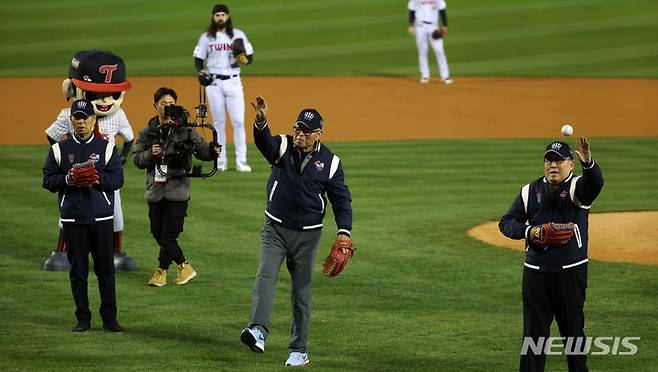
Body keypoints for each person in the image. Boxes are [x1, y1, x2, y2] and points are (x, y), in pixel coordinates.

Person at [240, 95, 353, 367]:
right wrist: (261, 121)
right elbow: (264, 143)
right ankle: (258, 330)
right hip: (274, 229)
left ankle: (299, 350)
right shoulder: (282, 146)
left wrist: (344, 232)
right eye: (297, 128)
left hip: (308, 236)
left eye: (305, 130)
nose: (299, 134)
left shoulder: (330, 162)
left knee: (300, 292)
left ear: (318, 134)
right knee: (265, 276)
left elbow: (341, 199)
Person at [499, 138, 604, 372]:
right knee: (534, 336)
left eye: (559, 160)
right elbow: (506, 223)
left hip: (571, 273)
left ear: (570, 164)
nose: (553, 165)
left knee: (573, 334)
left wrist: (588, 163)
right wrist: (530, 231)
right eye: (548, 160)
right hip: (536, 274)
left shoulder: (578, 188)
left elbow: (595, 184)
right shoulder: (529, 191)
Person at [43, 50, 136, 272]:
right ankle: (62, 253)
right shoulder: (69, 115)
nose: (105, 100)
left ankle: (115, 253)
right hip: (75, 177)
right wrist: (62, 161)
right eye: (94, 93)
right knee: (69, 212)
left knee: (116, 213)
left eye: (113, 93)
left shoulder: (118, 116)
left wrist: (120, 160)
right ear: (71, 89)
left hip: (105, 177)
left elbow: (129, 139)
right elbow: (52, 137)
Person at [42, 99, 125, 332]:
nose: (81, 122)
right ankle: (83, 318)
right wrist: (67, 180)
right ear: (71, 121)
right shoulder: (59, 149)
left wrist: (98, 179)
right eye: (77, 117)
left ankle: (110, 319)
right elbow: (47, 180)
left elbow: (118, 179)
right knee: (78, 272)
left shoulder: (107, 147)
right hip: (73, 219)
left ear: (93, 120)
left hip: (101, 219)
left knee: (106, 271)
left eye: (85, 117)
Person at [132, 87, 221, 287]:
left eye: (172, 104)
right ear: (155, 106)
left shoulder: (186, 130)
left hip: (178, 190)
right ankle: (182, 267)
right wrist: (151, 154)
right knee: (158, 233)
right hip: (155, 190)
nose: (168, 108)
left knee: (168, 235)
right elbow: (137, 159)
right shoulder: (147, 133)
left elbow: (203, 152)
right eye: (164, 104)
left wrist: (213, 151)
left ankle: (161, 271)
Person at [193, 3, 254, 172]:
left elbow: (249, 58)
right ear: (213, 17)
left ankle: (241, 161)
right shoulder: (206, 37)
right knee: (218, 122)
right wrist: (201, 71)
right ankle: (220, 160)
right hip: (214, 83)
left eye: (223, 14)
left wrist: (243, 59)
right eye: (217, 15)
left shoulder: (238, 35)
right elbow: (198, 59)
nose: (220, 17)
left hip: (234, 81)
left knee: (238, 122)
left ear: (227, 16)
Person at [407, 0, 453, 84]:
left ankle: (445, 76)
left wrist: (445, 25)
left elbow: (442, 10)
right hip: (420, 26)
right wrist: (410, 25)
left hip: (433, 27)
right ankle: (425, 75)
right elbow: (412, 10)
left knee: (439, 50)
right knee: (422, 51)